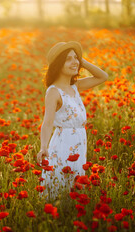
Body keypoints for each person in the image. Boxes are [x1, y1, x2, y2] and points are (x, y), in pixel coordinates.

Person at [36, 41, 108, 201]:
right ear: (58, 64)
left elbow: (103, 76)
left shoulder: (75, 86)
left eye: (75, 58)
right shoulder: (53, 92)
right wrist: (43, 147)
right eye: (68, 59)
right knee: (62, 185)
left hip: (79, 143)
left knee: (75, 185)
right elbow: (47, 123)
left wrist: (81, 61)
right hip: (63, 144)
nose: (74, 62)